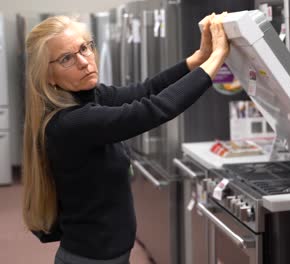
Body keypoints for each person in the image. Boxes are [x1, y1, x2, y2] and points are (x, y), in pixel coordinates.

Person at [22, 12, 229, 264]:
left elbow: (147, 90)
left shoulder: (90, 95)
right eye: (67, 58)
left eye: (85, 48)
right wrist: (217, 59)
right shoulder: (70, 122)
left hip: (106, 256)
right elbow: (153, 109)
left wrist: (195, 61)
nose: (84, 62)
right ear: (48, 76)